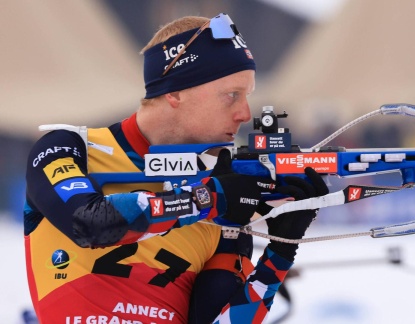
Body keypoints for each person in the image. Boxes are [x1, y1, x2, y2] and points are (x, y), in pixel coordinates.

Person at [24, 13, 328, 323]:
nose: (244, 113)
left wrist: (279, 253)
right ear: (174, 93)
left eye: (247, 96)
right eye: (231, 95)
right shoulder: (69, 148)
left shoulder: (222, 194)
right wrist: (206, 200)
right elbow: (89, 223)